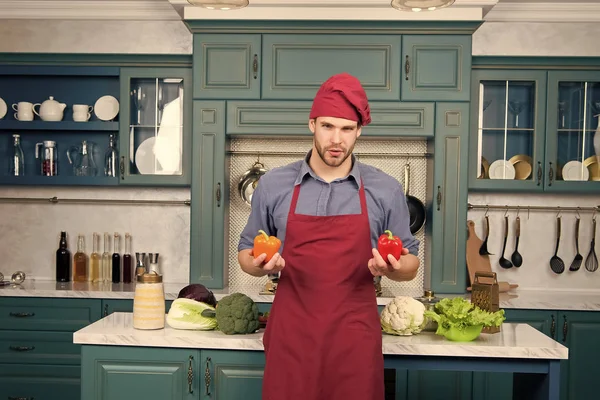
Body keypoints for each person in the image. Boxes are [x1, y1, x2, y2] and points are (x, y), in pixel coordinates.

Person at [237, 72, 420, 400]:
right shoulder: (274, 185)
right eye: (328, 127)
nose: (337, 140)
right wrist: (261, 265)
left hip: (354, 339)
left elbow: (410, 263)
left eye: (347, 129)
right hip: (291, 336)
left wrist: (392, 268)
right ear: (312, 124)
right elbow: (246, 253)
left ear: (359, 131)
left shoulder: (385, 189)